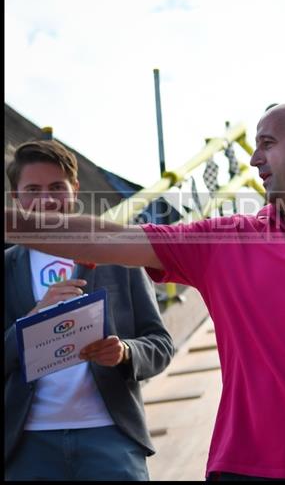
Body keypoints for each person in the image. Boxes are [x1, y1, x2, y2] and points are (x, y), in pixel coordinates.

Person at [5, 103, 285, 480]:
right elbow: (106, 236)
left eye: (268, 143)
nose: (254, 159)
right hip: (244, 468)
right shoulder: (222, 240)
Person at [4, 139, 175, 480]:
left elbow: (160, 343)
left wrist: (125, 352)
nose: (46, 200)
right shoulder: (7, 268)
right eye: (33, 189)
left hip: (112, 438)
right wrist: (33, 320)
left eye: (56, 187)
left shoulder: (120, 260)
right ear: (15, 199)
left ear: (76, 188)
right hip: (27, 446)